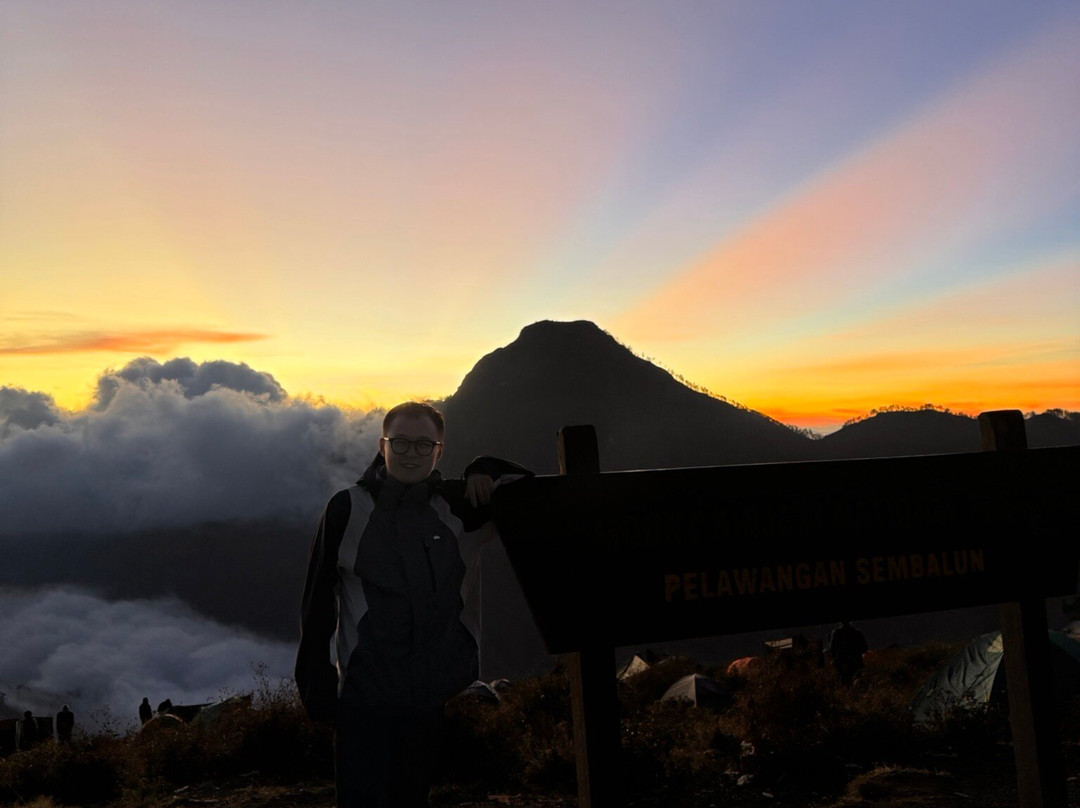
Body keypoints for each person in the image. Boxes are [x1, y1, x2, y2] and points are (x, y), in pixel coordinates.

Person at [295, 401, 530, 808]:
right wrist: (317, 689)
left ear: (439, 451)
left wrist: (485, 467)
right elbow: (317, 602)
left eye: (423, 445)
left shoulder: (458, 509)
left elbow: (533, 492)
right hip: (361, 702)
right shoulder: (347, 509)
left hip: (428, 701)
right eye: (400, 443)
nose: (410, 454)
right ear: (382, 446)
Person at [826, 620, 868, 685]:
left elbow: (832, 649)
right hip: (856, 663)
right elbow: (864, 649)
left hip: (842, 664)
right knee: (857, 683)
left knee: (844, 684)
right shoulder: (858, 633)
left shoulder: (836, 633)